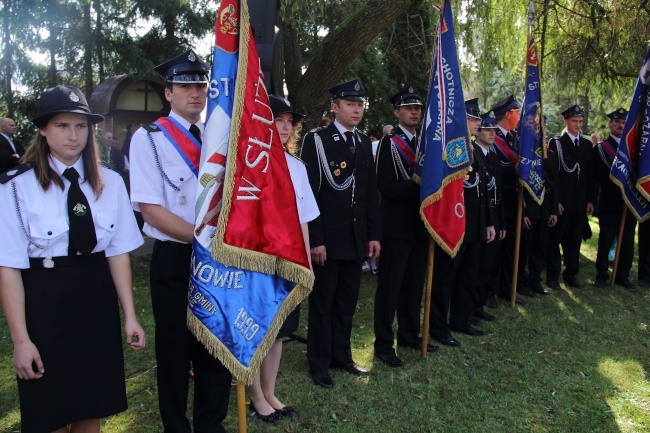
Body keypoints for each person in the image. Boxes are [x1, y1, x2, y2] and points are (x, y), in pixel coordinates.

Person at [0, 85, 146, 433]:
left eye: (81, 126)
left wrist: (130, 316)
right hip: (45, 302)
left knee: (91, 404)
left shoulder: (110, 183)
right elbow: (8, 267)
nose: (74, 135)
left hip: (95, 301)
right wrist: (21, 341)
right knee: (48, 411)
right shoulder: (15, 188)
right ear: (43, 129)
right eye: (62, 126)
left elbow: (118, 252)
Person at [129, 49, 232, 433]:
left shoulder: (217, 137)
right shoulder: (149, 139)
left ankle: (211, 424)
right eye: (185, 86)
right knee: (174, 348)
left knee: (215, 345)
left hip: (218, 257)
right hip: (176, 256)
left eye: (201, 85)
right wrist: (203, 236)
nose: (195, 93)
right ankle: (176, 425)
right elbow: (151, 211)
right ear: (168, 92)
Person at [300, 78, 381, 388]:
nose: (356, 109)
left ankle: (341, 355)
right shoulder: (317, 140)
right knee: (323, 302)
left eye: (360, 104)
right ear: (335, 107)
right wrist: (315, 239)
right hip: (328, 238)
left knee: (347, 300)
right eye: (350, 104)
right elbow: (310, 194)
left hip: (355, 237)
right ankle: (318, 362)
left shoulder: (362, 142)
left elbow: (369, 193)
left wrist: (373, 235)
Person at [248, 95, 319, 423]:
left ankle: (270, 390)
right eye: (278, 120)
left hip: (289, 261)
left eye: (290, 121)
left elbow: (304, 218)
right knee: (257, 330)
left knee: (279, 331)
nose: (285, 126)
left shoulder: (297, 167)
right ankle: (255, 395)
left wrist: (304, 263)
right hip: (257, 262)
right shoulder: (248, 164)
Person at [373, 86, 435, 368]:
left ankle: (409, 334)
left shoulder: (426, 144)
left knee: (414, 285)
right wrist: (423, 189)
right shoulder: (389, 144)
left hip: (422, 226)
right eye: (408, 108)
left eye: (418, 108)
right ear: (396, 112)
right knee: (390, 288)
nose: (414, 112)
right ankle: (384, 344)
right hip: (396, 228)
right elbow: (387, 188)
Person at [429, 100, 494, 347]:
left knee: (468, 276)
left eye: (478, 119)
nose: (478, 123)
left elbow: (483, 191)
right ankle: (438, 325)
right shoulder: (452, 149)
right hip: (455, 224)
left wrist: (487, 222)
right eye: (472, 119)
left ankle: (461, 318)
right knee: (445, 279)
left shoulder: (476, 150)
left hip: (475, 225)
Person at [546, 104, 597, 289]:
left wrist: (591, 199)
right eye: (574, 121)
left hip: (579, 202)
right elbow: (555, 175)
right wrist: (557, 201)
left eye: (580, 122)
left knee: (575, 240)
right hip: (563, 202)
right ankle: (553, 276)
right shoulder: (557, 143)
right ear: (566, 122)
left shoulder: (585, 145)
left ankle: (571, 275)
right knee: (556, 239)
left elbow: (590, 175)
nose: (578, 125)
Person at [593, 108, 636, 288]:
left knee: (626, 241)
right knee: (606, 239)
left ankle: (622, 274)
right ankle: (602, 275)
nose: (620, 125)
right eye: (617, 122)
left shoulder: (634, 150)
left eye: (624, 122)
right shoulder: (602, 148)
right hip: (610, 203)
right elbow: (598, 175)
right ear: (610, 124)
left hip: (629, 203)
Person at [474, 111, 505, 318]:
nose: (492, 133)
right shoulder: (474, 153)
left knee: (490, 263)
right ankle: (475, 305)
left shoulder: (493, 155)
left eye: (494, 129)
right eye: (487, 129)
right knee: (478, 265)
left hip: (494, 214)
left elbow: (499, 192)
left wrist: (501, 223)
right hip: (480, 217)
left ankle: (482, 300)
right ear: (478, 131)